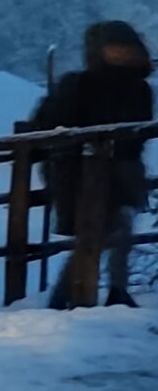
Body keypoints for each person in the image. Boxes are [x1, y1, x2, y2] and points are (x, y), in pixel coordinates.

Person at [34, 21, 153, 310]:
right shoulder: (78, 84)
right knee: (96, 233)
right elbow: (47, 126)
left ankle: (110, 291)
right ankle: (72, 295)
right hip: (80, 173)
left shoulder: (139, 89)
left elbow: (139, 132)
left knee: (115, 231)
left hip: (122, 170)